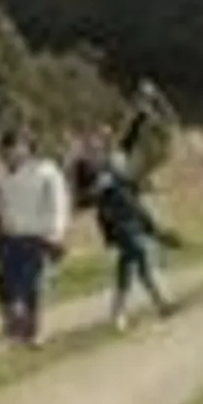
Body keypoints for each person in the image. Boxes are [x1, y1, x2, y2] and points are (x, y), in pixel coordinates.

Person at [75, 138, 174, 330]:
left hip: (133, 217)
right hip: (117, 224)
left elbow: (131, 187)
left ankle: (122, 312)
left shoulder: (113, 168)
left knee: (130, 264)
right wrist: (95, 190)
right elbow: (81, 200)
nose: (96, 154)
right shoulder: (86, 172)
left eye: (98, 150)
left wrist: (146, 189)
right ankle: (156, 304)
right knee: (138, 254)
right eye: (91, 150)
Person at [0, 126, 70, 345]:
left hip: (40, 236)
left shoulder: (46, 170)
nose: (11, 153)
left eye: (16, 148)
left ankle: (38, 330)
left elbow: (59, 203)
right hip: (12, 236)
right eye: (7, 149)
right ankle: (21, 329)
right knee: (14, 286)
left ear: (27, 148)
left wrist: (57, 234)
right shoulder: (0, 173)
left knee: (36, 285)